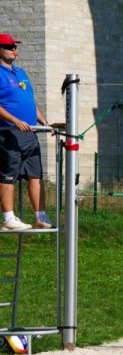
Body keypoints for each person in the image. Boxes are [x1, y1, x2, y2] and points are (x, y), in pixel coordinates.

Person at [0, 33, 51, 231]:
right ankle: (9, 218)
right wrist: (15, 120)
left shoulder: (21, 72)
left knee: (35, 175)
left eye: (14, 46)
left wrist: (44, 122)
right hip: (10, 132)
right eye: (9, 46)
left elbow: (29, 101)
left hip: (30, 132)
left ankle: (40, 216)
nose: (14, 49)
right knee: (8, 175)